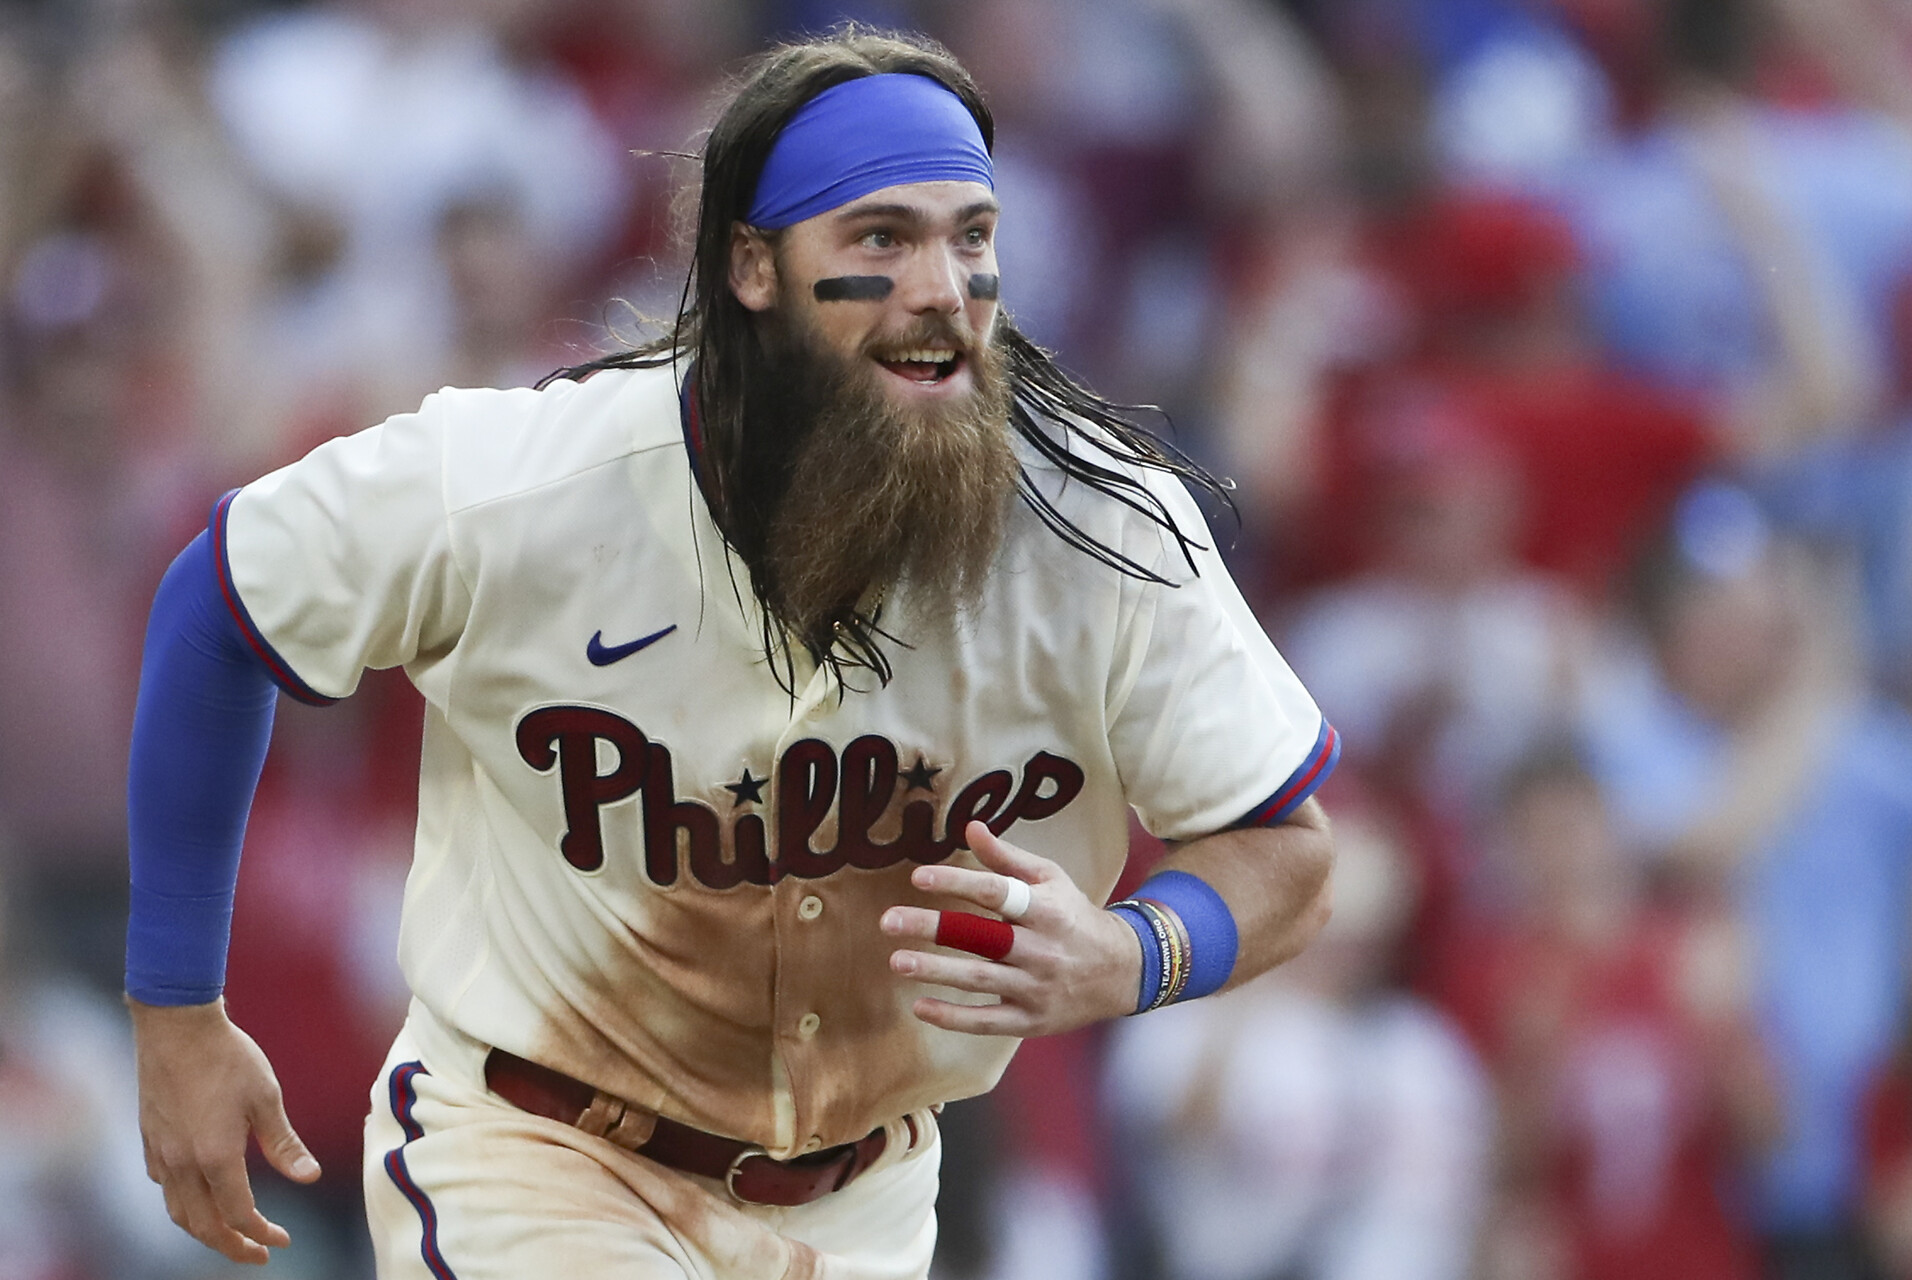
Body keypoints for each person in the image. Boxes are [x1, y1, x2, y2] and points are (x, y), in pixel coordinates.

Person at [122, 28, 1339, 1279]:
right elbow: (221, 601)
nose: (942, 286)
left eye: (971, 236)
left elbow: (1285, 845)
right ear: (753, 266)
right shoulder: (529, 483)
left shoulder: (1097, 525)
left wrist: (1137, 952)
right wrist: (177, 1011)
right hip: (537, 1152)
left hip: (864, 1198)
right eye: (881, 239)